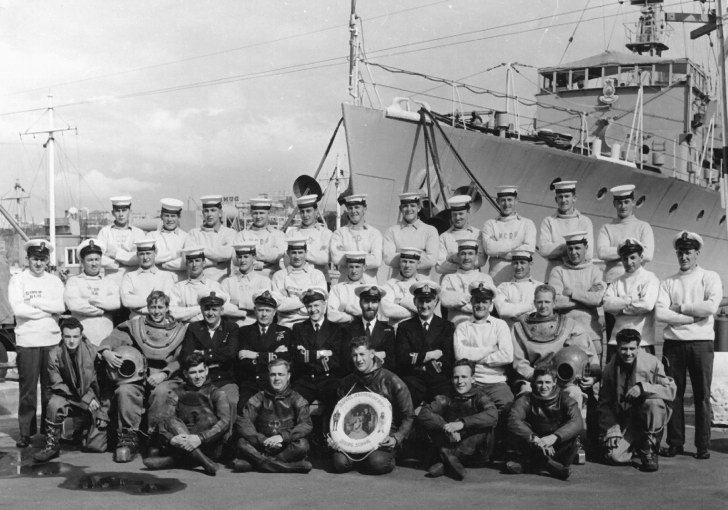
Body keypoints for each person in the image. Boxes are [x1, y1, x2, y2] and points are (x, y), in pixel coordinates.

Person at [98, 290, 187, 462]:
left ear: (167, 308)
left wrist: (164, 373)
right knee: (125, 390)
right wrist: (106, 351)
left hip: (166, 377)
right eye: (153, 307)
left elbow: (181, 359)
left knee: (161, 392)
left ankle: (156, 438)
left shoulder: (179, 330)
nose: (156, 311)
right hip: (139, 376)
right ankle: (128, 437)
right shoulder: (136, 326)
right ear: (147, 308)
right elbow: (115, 337)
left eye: (160, 307)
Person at [655, 231, 722, 460]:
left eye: (688, 252)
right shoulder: (668, 282)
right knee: (673, 394)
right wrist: (692, 317)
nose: (684, 257)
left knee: (702, 395)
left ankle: (702, 445)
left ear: (697, 253)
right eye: (680, 252)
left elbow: (711, 307)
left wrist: (680, 308)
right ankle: (675, 443)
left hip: (701, 343)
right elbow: (660, 313)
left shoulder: (709, 277)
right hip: (673, 344)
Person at [8, 239, 65, 448]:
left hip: (51, 339)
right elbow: (18, 310)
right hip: (28, 339)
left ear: (48, 260)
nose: (38, 263)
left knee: (50, 388)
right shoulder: (18, 280)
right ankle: (26, 432)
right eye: (35, 259)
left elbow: (60, 306)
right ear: (28, 259)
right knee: (28, 389)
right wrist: (47, 311)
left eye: (42, 259)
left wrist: (35, 303)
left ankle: (50, 429)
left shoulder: (55, 281)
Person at [331, 336, 414, 475]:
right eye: (354, 355)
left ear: (372, 353)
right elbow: (338, 414)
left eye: (362, 354)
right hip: (355, 435)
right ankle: (362, 459)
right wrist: (334, 438)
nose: (358, 359)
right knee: (339, 463)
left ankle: (383, 457)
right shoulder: (347, 383)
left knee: (377, 463)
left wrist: (396, 438)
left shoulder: (392, 381)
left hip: (384, 436)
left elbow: (409, 415)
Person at [511, 284, 598, 412]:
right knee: (525, 394)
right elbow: (519, 361)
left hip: (562, 380)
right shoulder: (519, 328)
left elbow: (586, 354)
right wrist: (538, 377)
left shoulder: (569, 325)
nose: (543, 306)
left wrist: (592, 376)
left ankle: (575, 424)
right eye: (539, 302)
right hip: (534, 379)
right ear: (534, 303)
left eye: (547, 302)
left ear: (554, 303)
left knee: (574, 393)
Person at [33, 318, 110, 463]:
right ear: (62, 336)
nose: (72, 341)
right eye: (67, 336)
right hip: (68, 395)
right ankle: (52, 445)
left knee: (96, 446)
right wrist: (84, 399)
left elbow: (103, 383)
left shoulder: (93, 352)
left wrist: (103, 410)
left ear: (81, 336)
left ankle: (82, 432)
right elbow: (58, 384)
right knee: (54, 404)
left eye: (75, 336)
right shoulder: (54, 354)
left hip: (93, 397)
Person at [598, 329, 676, 472]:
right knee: (614, 456)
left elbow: (670, 389)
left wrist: (643, 387)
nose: (628, 353)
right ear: (618, 348)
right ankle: (637, 444)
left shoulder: (652, 363)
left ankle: (650, 446)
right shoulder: (610, 368)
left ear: (638, 347)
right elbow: (605, 403)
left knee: (653, 402)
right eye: (624, 349)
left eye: (632, 348)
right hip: (627, 421)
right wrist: (612, 428)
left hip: (648, 416)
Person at [143, 352, 230, 476]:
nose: (198, 376)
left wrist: (200, 438)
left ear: (206, 370)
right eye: (193, 372)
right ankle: (203, 462)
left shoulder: (217, 393)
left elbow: (225, 422)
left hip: (208, 445)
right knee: (171, 420)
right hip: (183, 440)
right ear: (185, 374)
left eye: (201, 371)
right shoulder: (177, 393)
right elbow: (163, 421)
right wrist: (171, 439)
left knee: (208, 418)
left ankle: (176, 460)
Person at [418, 360, 498, 480]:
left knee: (484, 426)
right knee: (431, 422)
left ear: (472, 379)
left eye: (464, 377)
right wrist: (446, 426)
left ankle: (444, 460)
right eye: (456, 377)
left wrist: (462, 423)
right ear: (452, 379)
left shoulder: (480, 397)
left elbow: (493, 415)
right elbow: (424, 413)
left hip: (476, 453)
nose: (460, 381)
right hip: (453, 443)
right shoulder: (446, 396)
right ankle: (449, 461)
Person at [234, 359, 313, 473]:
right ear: (268, 376)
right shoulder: (259, 397)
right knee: (242, 442)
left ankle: (258, 462)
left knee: (302, 445)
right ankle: (288, 467)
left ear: (288, 376)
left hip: (284, 447)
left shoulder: (298, 399)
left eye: (281, 374)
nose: (276, 378)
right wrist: (262, 440)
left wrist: (282, 437)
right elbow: (243, 421)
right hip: (262, 445)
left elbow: (306, 424)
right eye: (273, 374)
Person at [506, 367, 583, 480]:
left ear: (554, 382)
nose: (544, 386)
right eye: (540, 382)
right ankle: (548, 465)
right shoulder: (526, 399)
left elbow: (577, 422)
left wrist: (553, 438)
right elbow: (513, 420)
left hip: (556, 447)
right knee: (518, 427)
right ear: (534, 382)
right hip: (535, 445)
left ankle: (529, 465)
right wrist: (536, 440)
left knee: (572, 433)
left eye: (547, 382)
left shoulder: (565, 399)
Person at [453, 282, 513, 416]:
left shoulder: (500, 325)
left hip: (496, 381)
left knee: (507, 406)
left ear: (491, 304)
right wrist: (491, 349)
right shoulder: (462, 327)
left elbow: (507, 356)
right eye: (477, 301)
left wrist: (474, 357)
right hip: (472, 382)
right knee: (468, 411)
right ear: (471, 302)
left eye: (484, 301)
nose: (480, 305)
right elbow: (460, 356)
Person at [180, 291, 240, 422]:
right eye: (207, 309)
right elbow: (186, 355)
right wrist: (218, 355)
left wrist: (203, 354)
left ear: (221, 310)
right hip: (200, 379)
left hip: (224, 379)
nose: (210, 313)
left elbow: (231, 353)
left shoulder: (231, 327)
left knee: (230, 401)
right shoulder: (194, 327)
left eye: (214, 309)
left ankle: (228, 434)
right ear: (201, 310)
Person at [395, 281, 454, 406]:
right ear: (415, 302)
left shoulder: (447, 327)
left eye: (428, 301)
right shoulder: (404, 327)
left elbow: (448, 358)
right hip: (413, 379)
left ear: (435, 302)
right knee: (406, 405)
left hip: (438, 379)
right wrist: (428, 355)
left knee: (442, 405)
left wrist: (423, 365)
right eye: (420, 301)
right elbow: (402, 358)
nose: (424, 305)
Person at [549, 231, 607, 360]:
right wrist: (586, 297)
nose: (573, 252)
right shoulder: (558, 271)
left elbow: (598, 299)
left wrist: (572, 293)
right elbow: (555, 301)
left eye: (577, 248)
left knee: (593, 370)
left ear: (586, 248)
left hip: (591, 332)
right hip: (564, 333)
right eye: (570, 248)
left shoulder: (596, 271)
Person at [602, 238, 659, 362]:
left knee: (642, 374)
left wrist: (620, 309)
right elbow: (606, 305)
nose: (628, 262)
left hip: (642, 343)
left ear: (641, 257)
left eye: (633, 257)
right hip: (616, 342)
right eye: (625, 258)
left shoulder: (650, 278)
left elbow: (646, 305)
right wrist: (631, 300)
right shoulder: (616, 281)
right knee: (615, 375)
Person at [291, 287, 346, 409]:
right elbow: (298, 358)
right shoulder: (298, 328)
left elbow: (336, 359)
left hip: (329, 379)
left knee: (337, 405)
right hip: (306, 380)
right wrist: (322, 353)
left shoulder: (336, 329)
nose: (313, 310)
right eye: (309, 306)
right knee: (294, 405)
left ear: (324, 305)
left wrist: (309, 354)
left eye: (316, 305)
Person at [237, 290, 293, 405]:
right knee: (244, 407)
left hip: (275, 383)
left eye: (268, 310)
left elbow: (285, 358)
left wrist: (256, 355)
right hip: (251, 383)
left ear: (274, 312)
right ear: (255, 310)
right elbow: (244, 361)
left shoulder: (284, 332)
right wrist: (273, 354)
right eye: (260, 310)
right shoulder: (244, 331)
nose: (264, 314)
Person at [64, 239, 121, 345]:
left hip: (106, 336)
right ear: (82, 261)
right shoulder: (74, 281)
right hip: (83, 337)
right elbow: (74, 305)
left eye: (97, 259)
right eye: (90, 260)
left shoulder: (109, 281)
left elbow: (116, 303)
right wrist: (102, 310)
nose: (94, 264)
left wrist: (92, 301)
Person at [596, 184, 654, 284]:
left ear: (633, 202)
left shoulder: (643, 227)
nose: (623, 206)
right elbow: (602, 253)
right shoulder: (606, 228)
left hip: (636, 282)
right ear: (614, 204)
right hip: (612, 281)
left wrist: (616, 253)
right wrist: (632, 251)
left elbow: (648, 255)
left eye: (626, 202)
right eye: (619, 203)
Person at [537, 181, 594, 281]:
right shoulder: (548, 221)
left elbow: (588, 253)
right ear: (556, 199)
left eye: (567, 196)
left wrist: (556, 251)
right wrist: (572, 247)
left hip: (578, 277)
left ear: (574, 198)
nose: (563, 200)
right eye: (560, 197)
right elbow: (544, 250)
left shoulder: (585, 221)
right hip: (554, 277)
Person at [482, 185, 536, 285]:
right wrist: (518, 243)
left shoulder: (527, 223)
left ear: (516, 201)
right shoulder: (490, 224)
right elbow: (490, 249)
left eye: (510, 200)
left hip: (520, 279)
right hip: (496, 279)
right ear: (497, 201)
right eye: (503, 200)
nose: (506, 204)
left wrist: (499, 252)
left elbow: (529, 249)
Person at [271, 237, 327, 328]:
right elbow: (279, 306)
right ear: (288, 253)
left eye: (300, 252)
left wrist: (290, 303)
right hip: (285, 325)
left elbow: (320, 306)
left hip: (310, 325)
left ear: (306, 253)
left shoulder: (317, 274)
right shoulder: (279, 276)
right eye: (294, 252)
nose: (297, 257)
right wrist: (305, 299)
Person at [382, 192, 439, 277]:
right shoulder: (392, 231)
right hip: (397, 280)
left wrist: (400, 256)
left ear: (419, 208)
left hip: (421, 281)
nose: (409, 209)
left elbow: (431, 260)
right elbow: (388, 259)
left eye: (412, 206)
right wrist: (420, 255)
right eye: (405, 206)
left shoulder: (430, 230)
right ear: (400, 209)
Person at [439, 239, 494, 326]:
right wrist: (474, 299)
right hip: (455, 326)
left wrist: (457, 304)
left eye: (470, 253)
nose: (466, 258)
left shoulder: (486, 278)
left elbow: (490, 307)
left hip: (480, 327)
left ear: (476, 256)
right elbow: (445, 300)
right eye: (463, 254)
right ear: (458, 256)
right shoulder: (449, 278)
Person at [184, 194, 236, 282]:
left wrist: (200, 250)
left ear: (220, 213)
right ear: (202, 213)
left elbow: (227, 253)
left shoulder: (230, 233)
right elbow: (191, 257)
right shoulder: (193, 233)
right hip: (198, 283)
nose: (209, 214)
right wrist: (217, 261)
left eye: (213, 210)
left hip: (222, 283)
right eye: (206, 211)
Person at [330, 194, 383, 280]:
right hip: (346, 282)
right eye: (350, 208)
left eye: (357, 207)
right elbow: (336, 258)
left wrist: (347, 255)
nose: (353, 211)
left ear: (364, 208)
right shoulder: (339, 233)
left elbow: (376, 261)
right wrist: (367, 256)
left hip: (368, 282)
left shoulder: (374, 233)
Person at [120, 239, 176, 319]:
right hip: (136, 320)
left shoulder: (166, 276)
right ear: (137, 255)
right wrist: (155, 300)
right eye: (142, 254)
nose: (145, 257)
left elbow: (167, 301)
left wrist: (140, 308)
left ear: (155, 253)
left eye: (148, 253)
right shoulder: (129, 276)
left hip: (160, 320)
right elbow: (126, 301)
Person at [169, 246, 227, 323]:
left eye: (197, 261)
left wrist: (187, 315)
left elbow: (222, 311)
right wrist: (202, 308)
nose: (194, 265)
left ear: (204, 263)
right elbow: (173, 313)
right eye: (191, 261)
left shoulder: (214, 285)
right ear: (186, 264)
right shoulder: (178, 287)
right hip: (185, 328)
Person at [96, 196, 146, 284]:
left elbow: (138, 258)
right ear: (113, 213)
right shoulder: (105, 232)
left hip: (134, 280)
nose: (121, 214)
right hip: (111, 280)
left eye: (124, 210)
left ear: (130, 212)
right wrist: (119, 263)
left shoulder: (139, 233)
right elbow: (98, 257)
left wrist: (115, 254)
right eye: (117, 211)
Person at [221, 242, 272, 327]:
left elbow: (263, 305)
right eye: (239, 257)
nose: (242, 260)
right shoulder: (227, 282)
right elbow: (223, 309)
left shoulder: (264, 281)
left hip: (256, 327)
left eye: (246, 257)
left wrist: (239, 303)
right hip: (234, 327)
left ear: (254, 258)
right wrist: (245, 312)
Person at [345, 285, 395, 372]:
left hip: (380, 376)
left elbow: (392, 362)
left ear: (379, 304)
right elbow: (345, 360)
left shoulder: (388, 331)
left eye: (374, 302)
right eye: (366, 301)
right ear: (360, 303)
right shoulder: (348, 329)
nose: (370, 306)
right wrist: (377, 355)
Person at [285, 194, 332, 282]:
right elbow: (287, 260)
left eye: (308, 211)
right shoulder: (292, 233)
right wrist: (315, 255)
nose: (305, 215)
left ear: (316, 211)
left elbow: (325, 259)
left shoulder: (325, 233)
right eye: (302, 212)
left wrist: (300, 255)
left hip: (321, 280)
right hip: (297, 280)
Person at [235, 196, 286, 277]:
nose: (258, 217)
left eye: (261, 213)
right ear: (251, 214)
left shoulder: (278, 235)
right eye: (255, 213)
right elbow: (236, 259)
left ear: (269, 213)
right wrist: (265, 262)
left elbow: (276, 256)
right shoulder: (242, 235)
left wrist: (251, 253)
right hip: (249, 277)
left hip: (272, 276)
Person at [435, 195, 485, 276]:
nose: (457, 217)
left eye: (461, 214)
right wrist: (468, 263)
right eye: (454, 214)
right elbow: (439, 267)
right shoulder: (444, 237)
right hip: (450, 281)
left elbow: (481, 261)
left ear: (468, 212)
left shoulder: (477, 234)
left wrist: (453, 258)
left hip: (473, 279)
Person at [493, 250, 543, 327]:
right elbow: (502, 310)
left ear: (530, 264)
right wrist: (532, 306)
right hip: (510, 330)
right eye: (515, 263)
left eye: (522, 263)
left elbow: (543, 309)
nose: (519, 267)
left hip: (535, 329)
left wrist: (513, 310)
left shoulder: (540, 286)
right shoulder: (503, 287)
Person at [327, 251, 376, 324]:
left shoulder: (369, 288)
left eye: (357, 267)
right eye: (351, 267)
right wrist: (352, 318)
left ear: (364, 267)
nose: (354, 271)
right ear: (347, 267)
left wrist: (345, 309)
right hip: (342, 327)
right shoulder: (337, 288)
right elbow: (331, 315)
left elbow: (373, 313)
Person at [380, 247, 425, 325]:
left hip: (417, 328)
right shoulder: (390, 284)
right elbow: (387, 311)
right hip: (396, 329)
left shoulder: (423, 285)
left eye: (411, 262)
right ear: (400, 263)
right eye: (404, 261)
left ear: (418, 264)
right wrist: (415, 312)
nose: (407, 265)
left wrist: (400, 301)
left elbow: (424, 306)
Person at [147, 198, 188, 282]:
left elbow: (186, 262)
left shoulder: (186, 237)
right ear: (161, 216)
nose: (169, 220)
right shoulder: (151, 236)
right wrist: (177, 254)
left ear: (179, 217)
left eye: (173, 216)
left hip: (179, 281)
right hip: (157, 280)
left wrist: (164, 264)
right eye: (166, 216)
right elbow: (149, 258)